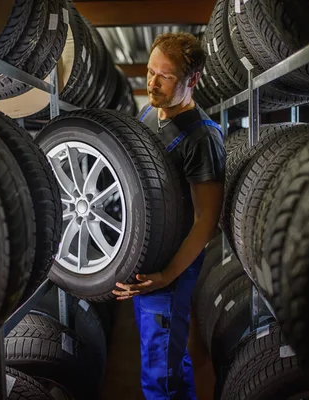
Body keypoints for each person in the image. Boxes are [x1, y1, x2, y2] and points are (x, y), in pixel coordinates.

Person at [112, 32, 226, 400]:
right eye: (149, 72)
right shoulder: (148, 113)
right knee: (163, 357)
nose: (152, 83)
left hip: (171, 270)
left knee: (162, 372)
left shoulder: (202, 139)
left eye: (165, 76)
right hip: (146, 259)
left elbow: (206, 221)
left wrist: (166, 276)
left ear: (192, 80)